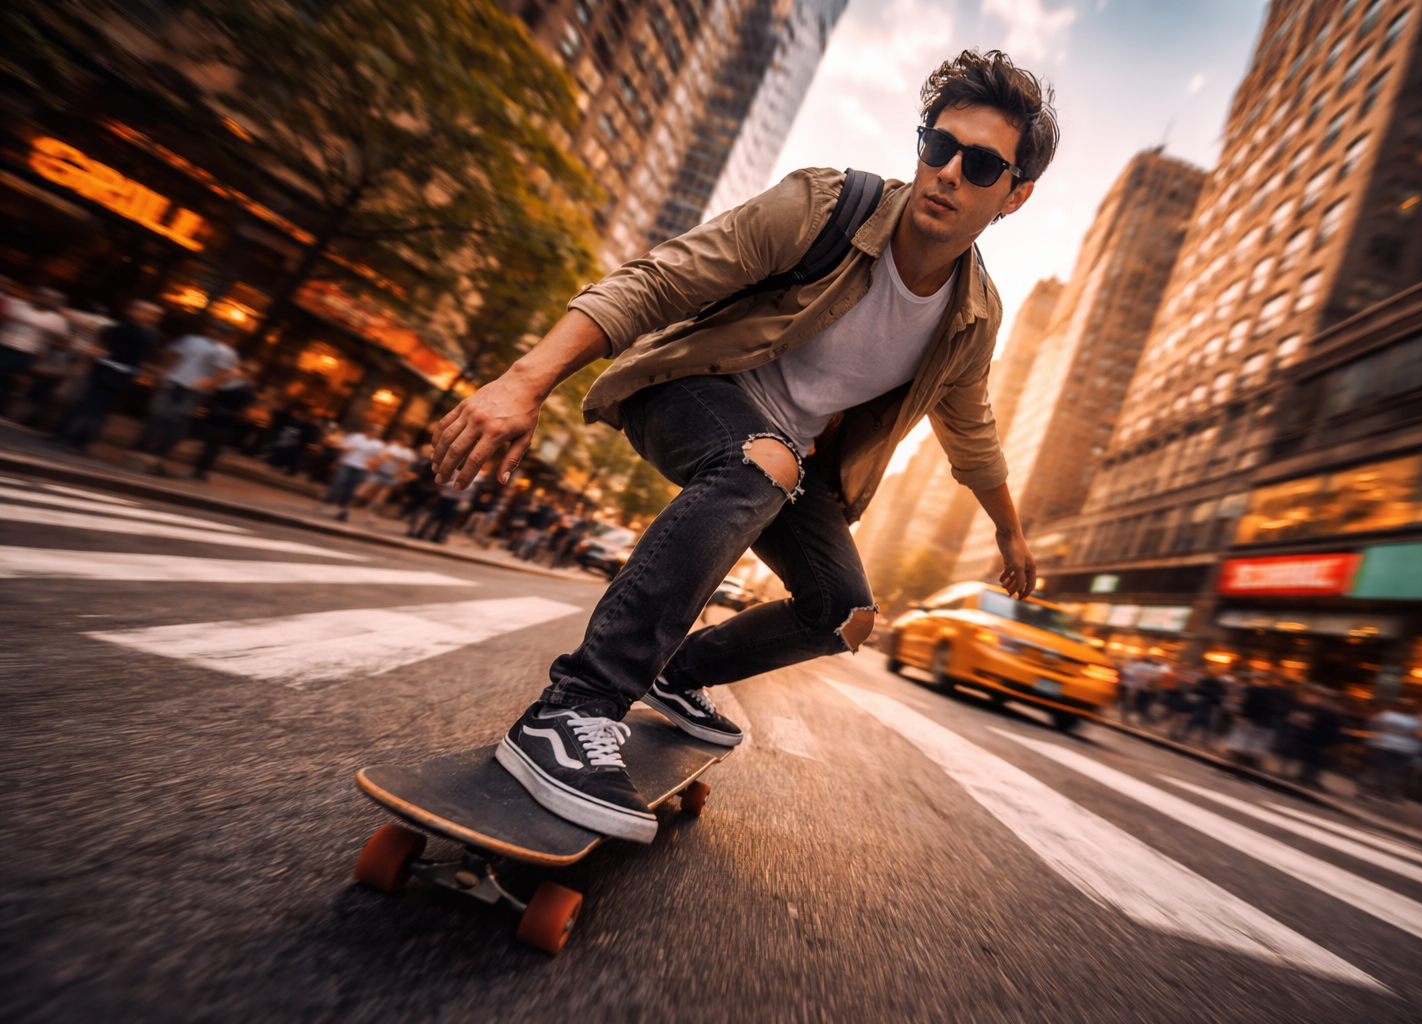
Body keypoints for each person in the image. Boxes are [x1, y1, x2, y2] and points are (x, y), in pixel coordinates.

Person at [432, 49, 1054, 842]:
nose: (948, 173)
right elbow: (661, 280)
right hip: (690, 394)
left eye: (981, 164)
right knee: (763, 460)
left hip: (783, 460)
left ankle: (678, 675)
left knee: (847, 611)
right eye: (938, 145)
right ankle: (573, 709)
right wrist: (525, 380)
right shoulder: (824, 206)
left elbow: (973, 435)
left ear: (1016, 194)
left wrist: (1008, 529)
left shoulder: (972, 318)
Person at [58, 300, 164, 450]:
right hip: (106, 367)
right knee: (89, 402)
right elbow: (106, 339)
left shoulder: (147, 333)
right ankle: (70, 433)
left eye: (140, 311)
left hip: (120, 373)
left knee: (98, 406)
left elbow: (145, 350)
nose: (134, 312)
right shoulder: (131, 328)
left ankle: (81, 437)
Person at [136, 322, 239, 474]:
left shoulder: (223, 351)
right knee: (162, 418)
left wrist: (207, 384)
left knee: (172, 422)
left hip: (190, 388)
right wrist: (164, 371)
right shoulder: (194, 340)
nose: (216, 334)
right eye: (217, 330)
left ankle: (155, 455)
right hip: (180, 383)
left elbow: (222, 376)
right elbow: (172, 354)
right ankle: (147, 452)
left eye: (221, 332)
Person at [0, 287, 70, 416]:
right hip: (5, 346)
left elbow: (63, 340)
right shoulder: (17, 305)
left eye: (49, 300)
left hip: (28, 352)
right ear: (35, 296)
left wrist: (46, 345)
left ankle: (3, 407)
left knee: (12, 381)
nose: (44, 300)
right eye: (41, 296)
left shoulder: (55, 319)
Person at [192, 359, 261, 480]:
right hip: (221, 416)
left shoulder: (244, 386)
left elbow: (246, 403)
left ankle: (202, 470)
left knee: (214, 446)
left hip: (227, 418)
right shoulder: (236, 383)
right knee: (211, 445)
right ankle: (201, 469)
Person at [319, 423, 384, 519]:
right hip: (347, 463)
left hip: (362, 467)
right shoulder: (356, 437)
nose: (377, 433)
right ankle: (328, 502)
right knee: (340, 481)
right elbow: (345, 445)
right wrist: (339, 446)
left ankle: (341, 507)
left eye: (379, 432)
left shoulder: (378, 444)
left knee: (351, 488)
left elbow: (379, 458)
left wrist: (373, 465)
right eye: (375, 431)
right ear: (369, 430)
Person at [1365, 701, 1422, 801]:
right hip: (1404, 750)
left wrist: (1377, 734)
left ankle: (1374, 786)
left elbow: (1372, 723)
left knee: (1381, 767)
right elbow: (1418, 735)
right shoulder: (1415, 722)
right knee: (1395, 771)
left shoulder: (1388, 715)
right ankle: (1387, 790)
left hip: (1385, 745)